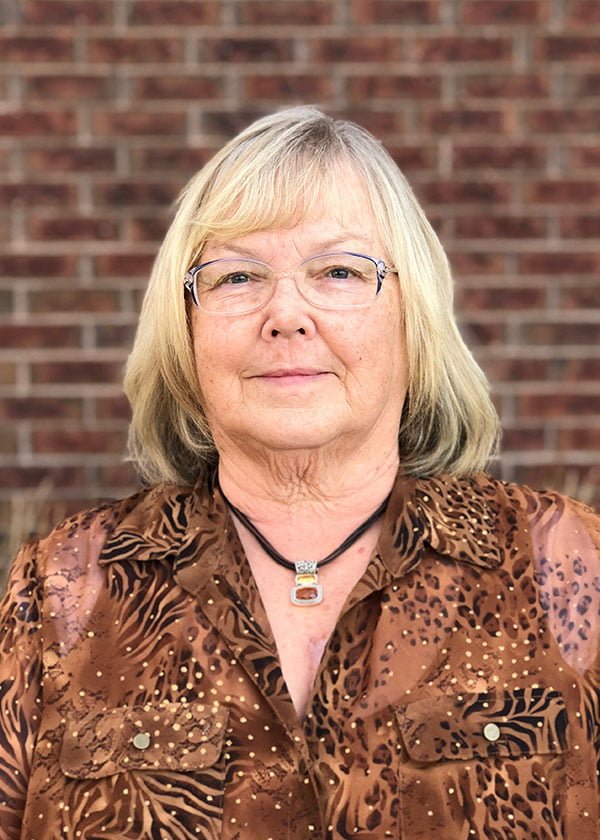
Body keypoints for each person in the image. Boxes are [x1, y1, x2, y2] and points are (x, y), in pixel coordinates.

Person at [0, 106, 598, 840]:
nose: (286, 313)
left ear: (414, 320)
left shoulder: (568, 562)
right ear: (184, 329)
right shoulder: (64, 584)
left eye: (339, 271)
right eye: (238, 277)